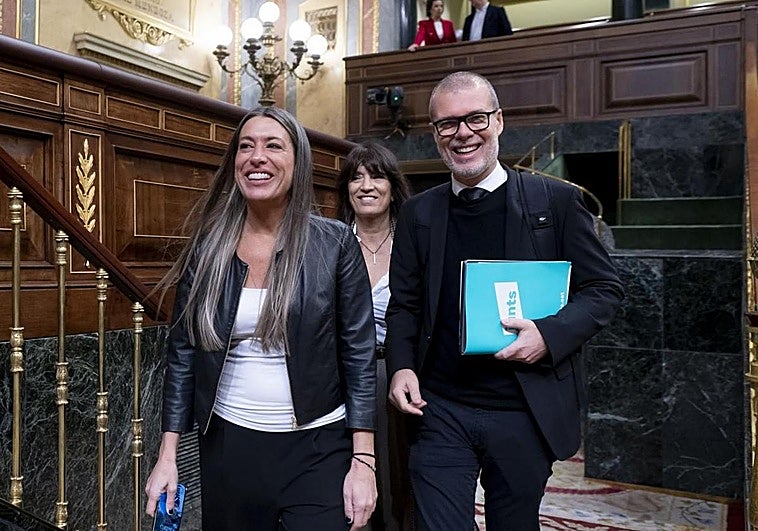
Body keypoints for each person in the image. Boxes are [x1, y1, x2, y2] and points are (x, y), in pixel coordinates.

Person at [385, 71, 624, 530]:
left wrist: (548, 335)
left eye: (475, 118)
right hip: (440, 408)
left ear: (498, 120)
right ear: (435, 133)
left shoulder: (555, 202)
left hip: (524, 410)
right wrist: (401, 366)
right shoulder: (419, 212)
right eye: (447, 124)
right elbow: (405, 305)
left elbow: (603, 289)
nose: (462, 133)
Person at [144, 106, 378, 531]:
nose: (257, 157)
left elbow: (359, 356)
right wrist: (167, 456)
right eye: (246, 146)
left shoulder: (335, 243)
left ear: (298, 162)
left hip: (320, 445)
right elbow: (182, 355)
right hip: (229, 445)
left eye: (274, 146)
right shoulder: (209, 246)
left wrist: (364, 461)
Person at [336, 142, 413, 531]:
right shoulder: (331, 242)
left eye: (377, 176)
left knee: (402, 485)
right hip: (341, 378)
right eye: (356, 177)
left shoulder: (413, 243)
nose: (366, 186)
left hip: (401, 374)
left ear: (393, 187)